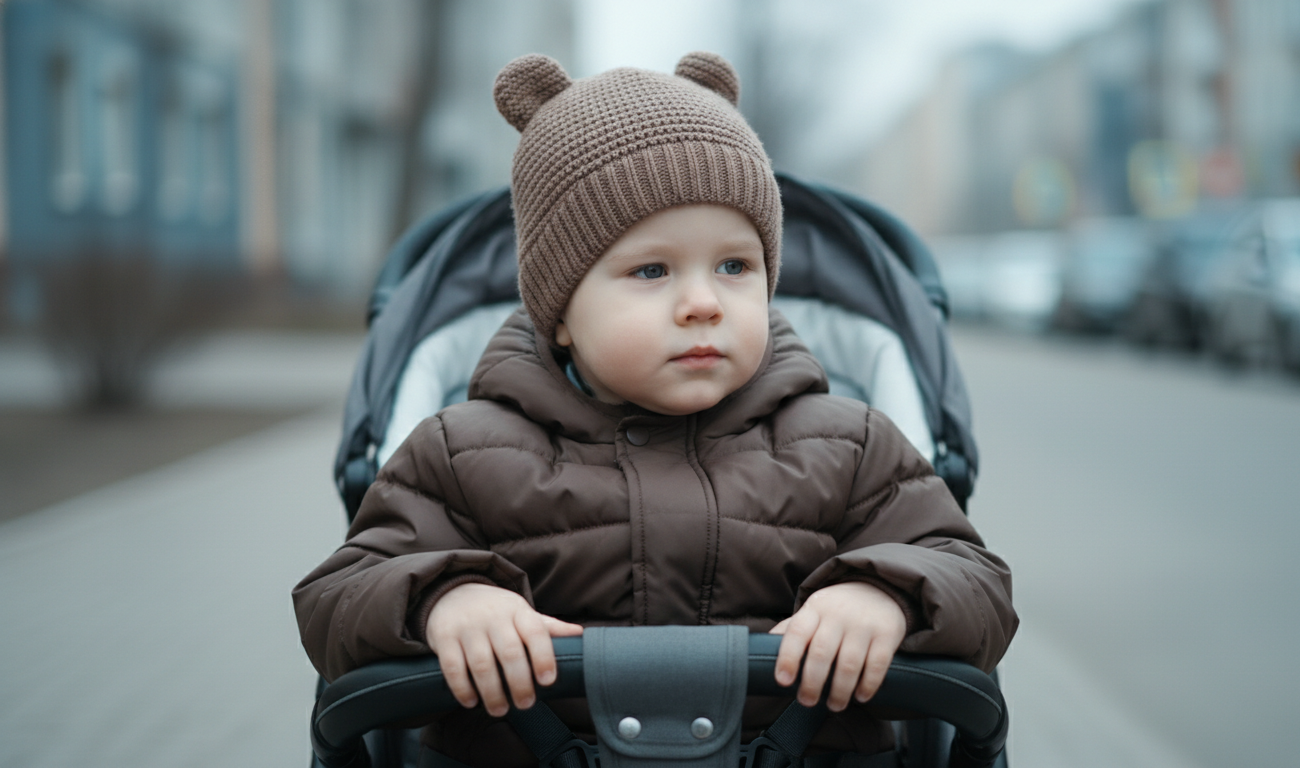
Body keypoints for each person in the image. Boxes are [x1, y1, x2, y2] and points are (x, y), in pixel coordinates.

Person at [294, 51, 1016, 766]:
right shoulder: (461, 455)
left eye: (735, 266)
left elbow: (975, 579)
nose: (704, 302)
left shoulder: (848, 445)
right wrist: (441, 601)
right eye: (651, 270)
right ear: (563, 313)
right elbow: (337, 597)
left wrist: (887, 593)